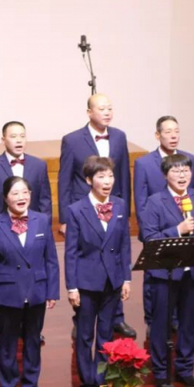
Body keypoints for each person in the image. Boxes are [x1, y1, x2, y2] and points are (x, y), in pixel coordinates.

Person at [58, 94, 135, 339]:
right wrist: (64, 218)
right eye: (102, 108)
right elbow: (65, 179)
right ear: (89, 112)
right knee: (88, 262)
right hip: (84, 212)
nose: (107, 112)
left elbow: (122, 175)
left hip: (113, 209)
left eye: (110, 108)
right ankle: (81, 318)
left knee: (114, 259)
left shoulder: (120, 136)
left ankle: (116, 318)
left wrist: (126, 212)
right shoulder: (72, 140)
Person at [0, 177, 59, 387]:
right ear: (5, 198)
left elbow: (51, 259)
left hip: (36, 290)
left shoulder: (42, 220)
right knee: (7, 345)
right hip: (8, 293)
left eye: (25, 192)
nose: (21, 197)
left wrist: (52, 291)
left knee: (33, 342)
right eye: (15, 193)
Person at [140, 154, 194, 387]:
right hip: (165, 274)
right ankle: (161, 371)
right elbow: (150, 238)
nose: (182, 176)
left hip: (193, 273)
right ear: (165, 175)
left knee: (188, 323)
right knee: (161, 324)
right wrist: (177, 230)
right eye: (176, 171)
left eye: (186, 171)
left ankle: (185, 369)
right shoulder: (154, 201)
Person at [0, 120, 52, 345]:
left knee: (32, 277)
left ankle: (32, 328)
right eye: (13, 136)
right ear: (3, 140)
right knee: (4, 279)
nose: (19, 140)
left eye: (22, 136)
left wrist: (42, 227)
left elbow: (45, 199)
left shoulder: (39, 165)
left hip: (33, 233)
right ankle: (2, 325)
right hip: (3, 234)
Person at [65, 156, 132, 387]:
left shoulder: (121, 205)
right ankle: (87, 383)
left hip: (113, 280)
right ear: (89, 180)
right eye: (101, 177)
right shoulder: (76, 210)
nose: (107, 181)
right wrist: (71, 286)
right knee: (84, 335)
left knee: (106, 333)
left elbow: (125, 244)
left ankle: (101, 378)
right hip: (86, 282)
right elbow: (71, 251)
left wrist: (126, 278)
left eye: (110, 176)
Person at [133, 116, 194, 332]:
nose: (173, 136)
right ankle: (153, 320)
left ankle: (176, 319)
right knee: (155, 278)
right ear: (157, 135)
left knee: (182, 275)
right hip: (157, 230)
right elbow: (141, 202)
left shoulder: (190, 160)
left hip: (186, 229)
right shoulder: (144, 163)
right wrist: (149, 232)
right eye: (168, 131)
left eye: (176, 131)